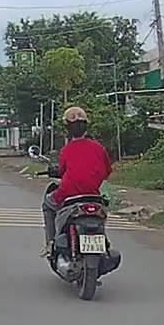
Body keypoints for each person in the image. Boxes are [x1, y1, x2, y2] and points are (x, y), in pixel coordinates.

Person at [42, 106, 114, 258]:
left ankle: (50, 244)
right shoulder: (99, 148)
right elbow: (107, 171)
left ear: (67, 128)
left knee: (47, 204)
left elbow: (62, 171)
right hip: (94, 197)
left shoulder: (67, 150)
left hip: (68, 194)